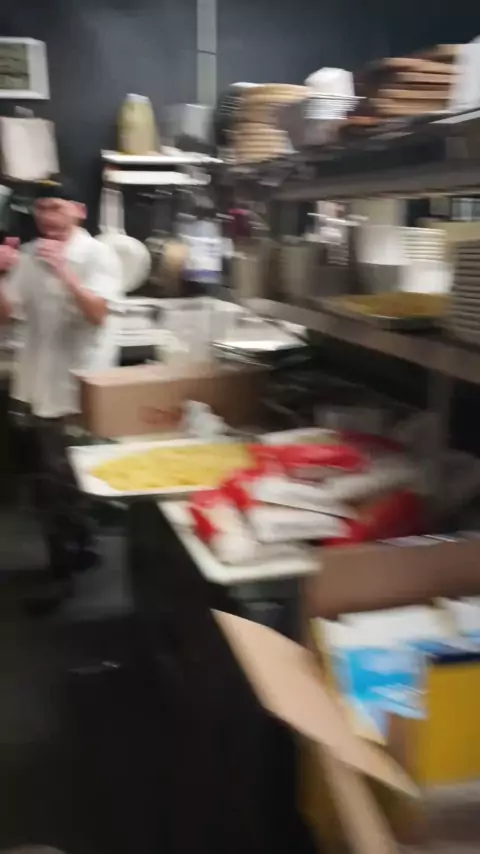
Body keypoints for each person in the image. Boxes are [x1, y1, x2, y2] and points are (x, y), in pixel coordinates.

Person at [0, 180, 122, 613]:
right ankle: (77, 553)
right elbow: (6, 314)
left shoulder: (99, 255)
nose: (47, 217)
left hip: (79, 385)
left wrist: (64, 271)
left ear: (78, 210)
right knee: (53, 480)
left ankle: (63, 573)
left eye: (55, 207)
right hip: (39, 383)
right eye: (40, 209)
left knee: (65, 481)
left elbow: (97, 313)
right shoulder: (30, 255)